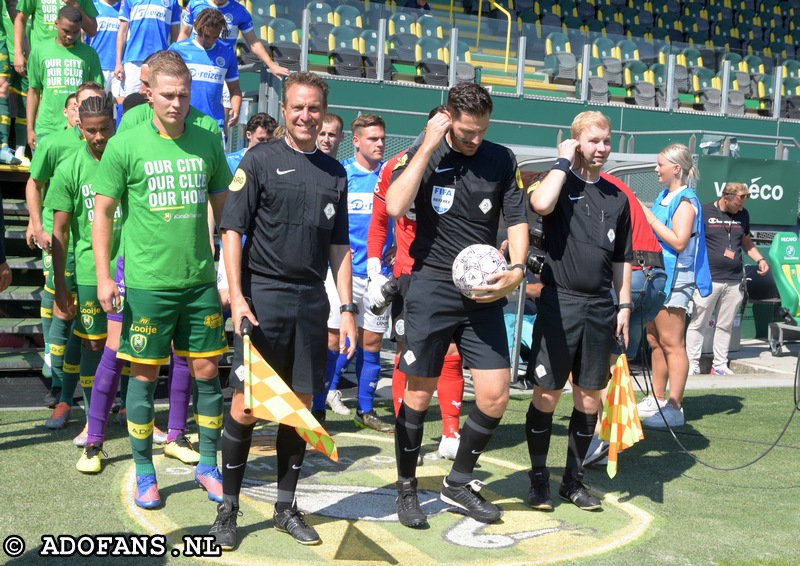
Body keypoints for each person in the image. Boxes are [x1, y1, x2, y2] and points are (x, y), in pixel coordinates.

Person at [210, 71, 356, 549]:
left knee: (300, 410)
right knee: (247, 406)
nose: (306, 116)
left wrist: (348, 309)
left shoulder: (336, 173)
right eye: (298, 107)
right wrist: (238, 297)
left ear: (324, 112)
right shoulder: (258, 159)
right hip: (262, 297)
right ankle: (228, 510)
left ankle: (285, 507)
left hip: (312, 301)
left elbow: (340, 249)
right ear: (286, 109)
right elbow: (232, 231)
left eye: (314, 108)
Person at [92, 49, 231, 509]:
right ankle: (146, 472)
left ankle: (208, 465)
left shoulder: (208, 139)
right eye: (168, 95)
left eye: (184, 96)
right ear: (148, 93)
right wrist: (104, 277)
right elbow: (104, 213)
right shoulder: (125, 144)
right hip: (148, 284)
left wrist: (229, 273)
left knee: (208, 373)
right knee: (144, 376)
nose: (177, 104)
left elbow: (224, 211)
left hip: (199, 283)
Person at [385, 82, 528, 528]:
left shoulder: (501, 159)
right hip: (430, 285)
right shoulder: (424, 153)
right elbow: (394, 205)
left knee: (495, 394)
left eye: (482, 130)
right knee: (419, 393)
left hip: (483, 290)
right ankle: (407, 487)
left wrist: (518, 268)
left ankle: (458, 482)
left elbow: (519, 217)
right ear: (447, 118)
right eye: (466, 131)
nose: (475, 139)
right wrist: (429, 143)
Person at [525, 111, 632, 512]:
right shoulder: (558, 180)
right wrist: (562, 161)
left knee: (589, 399)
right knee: (548, 395)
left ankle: (573, 481)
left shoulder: (617, 196)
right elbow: (540, 202)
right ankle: (538, 480)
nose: (601, 148)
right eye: (593, 141)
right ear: (575, 142)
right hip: (559, 301)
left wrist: (624, 304)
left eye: (606, 140)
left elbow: (622, 258)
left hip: (600, 306)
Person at [367, 105, 466, 460]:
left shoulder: (464, 167)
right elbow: (380, 220)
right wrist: (376, 265)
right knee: (409, 355)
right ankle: (405, 430)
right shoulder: (396, 166)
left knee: (451, 353)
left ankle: (451, 431)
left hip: (453, 274)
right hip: (410, 275)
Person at [44, 93, 121, 472]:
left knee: (138, 347)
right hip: (92, 273)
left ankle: (142, 419)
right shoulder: (70, 166)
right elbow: (59, 231)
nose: (98, 137)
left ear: (114, 122)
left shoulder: (127, 155)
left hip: (137, 268)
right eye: (90, 130)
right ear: (79, 127)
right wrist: (61, 286)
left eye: (104, 128)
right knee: (94, 345)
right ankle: (95, 422)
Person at [26, 81, 106, 431]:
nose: (90, 121)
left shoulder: (120, 152)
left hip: (117, 262)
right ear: (72, 110)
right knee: (68, 321)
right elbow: (35, 182)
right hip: (72, 252)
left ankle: (99, 403)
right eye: (82, 107)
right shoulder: (60, 148)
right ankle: (62, 392)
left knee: (91, 333)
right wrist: (35, 223)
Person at [583, 172, 667, 467]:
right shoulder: (614, 185)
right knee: (616, 363)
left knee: (590, 361)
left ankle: (604, 433)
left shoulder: (591, 185)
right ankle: (613, 430)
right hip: (654, 277)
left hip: (629, 277)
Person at [316, 113, 393, 431]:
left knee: (372, 344)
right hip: (341, 274)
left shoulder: (392, 176)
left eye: (383, 139)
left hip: (379, 275)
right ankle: (319, 406)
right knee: (333, 341)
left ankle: (365, 409)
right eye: (373, 138)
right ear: (357, 141)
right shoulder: (342, 175)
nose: (379, 144)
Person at [637, 143, 712, 429]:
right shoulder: (665, 195)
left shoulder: (684, 201)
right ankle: (656, 397)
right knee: (655, 340)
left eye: (660, 165)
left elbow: (679, 241)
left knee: (672, 343)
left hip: (675, 279)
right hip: (656, 275)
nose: (656, 169)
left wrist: (649, 216)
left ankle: (674, 406)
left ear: (676, 169)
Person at [685, 182, 769, 376]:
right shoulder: (704, 211)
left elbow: (746, 242)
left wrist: (760, 259)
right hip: (708, 279)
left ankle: (720, 365)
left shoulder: (743, 215)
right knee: (699, 322)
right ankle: (691, 364)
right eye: (738, 204)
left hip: (734, 279)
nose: (741, 208)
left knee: (725, 324)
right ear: (726, 198)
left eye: (742, 205)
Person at [26, 6, 103, 147]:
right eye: (66, 31)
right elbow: (33, 91)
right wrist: (30, 128)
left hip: (79, 129)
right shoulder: (40, 51)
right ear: (56, 24)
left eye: (75, 32)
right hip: (47, 128)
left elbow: (97, 94)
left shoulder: (89, 54)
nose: (70, 36)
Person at [117, 50, 220, 136]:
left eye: (148, 83)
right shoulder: (132, 119)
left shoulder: (208, 127)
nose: (141, 90)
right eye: (141, 82)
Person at [177, 0, 289, 78]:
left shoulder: (240, 11)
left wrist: (272, 65)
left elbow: (253, 42)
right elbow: (184, 33)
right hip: (195, 64)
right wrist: (177, 60)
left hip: (223, 69)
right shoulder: (195, 3)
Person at [168, 8, 240, 132]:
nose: (210, 40)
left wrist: (236, 109)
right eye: (206, 36)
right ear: (197, 28)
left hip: (214, 124)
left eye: (215, 37)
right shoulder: (178, 49)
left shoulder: (227, 52)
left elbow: (235, 89)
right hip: (183, 122)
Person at [114, 0, 181, 98]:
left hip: (161, 61)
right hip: (134, 60)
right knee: (131, 101)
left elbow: (175, 35)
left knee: (158, 99)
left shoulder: (172, 2)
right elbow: (122, 32)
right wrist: (118, 63)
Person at [13, 0, 98, 77]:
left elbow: (92, 30)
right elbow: (20, 19)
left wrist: (76, 6)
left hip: (73, 60)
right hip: (42, 57)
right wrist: (17, 53)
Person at [87, 0, 122, 104]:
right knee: (97, 104)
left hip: (119, 68)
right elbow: (82, 34)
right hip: (98, 66)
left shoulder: (124, 7)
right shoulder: (93, 5)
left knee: (119, 106)